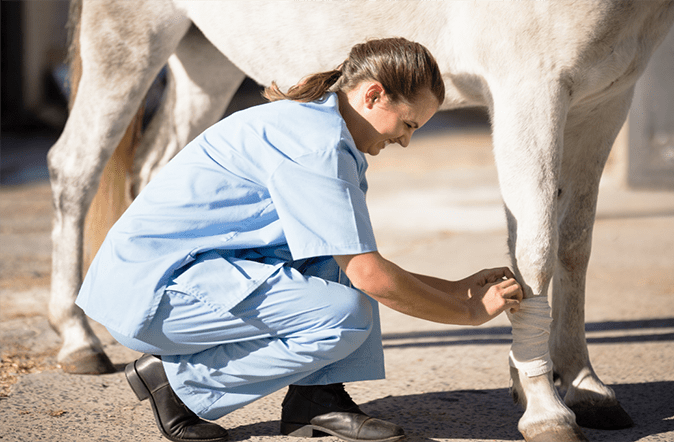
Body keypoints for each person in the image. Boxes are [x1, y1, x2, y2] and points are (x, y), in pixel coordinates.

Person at [76, 37, 523, 442]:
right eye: (408, 124)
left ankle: (316, 400)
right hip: (153, 295)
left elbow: (355, 260)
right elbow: (371, 277)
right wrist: (465, 310)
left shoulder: (321, 126)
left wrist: (455, 288)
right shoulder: (318, 147)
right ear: (372, 95)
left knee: (335, 262)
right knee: (343, 317)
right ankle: (177, 384)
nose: (405, 140)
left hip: (173, 277)